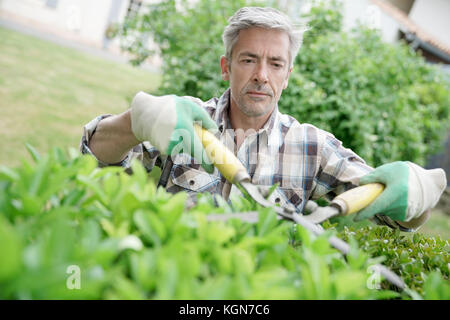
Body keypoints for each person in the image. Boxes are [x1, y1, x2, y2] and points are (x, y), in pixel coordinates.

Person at [80, 7, 446, 231]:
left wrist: (416, 196)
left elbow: (395, 214)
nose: (262, 75)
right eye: (248, 59)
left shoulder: (312, 147)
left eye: (275, 64)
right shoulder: (182, 121)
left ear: (287, 76)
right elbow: (94, 157)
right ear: (227, 67)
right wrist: (135, 120)